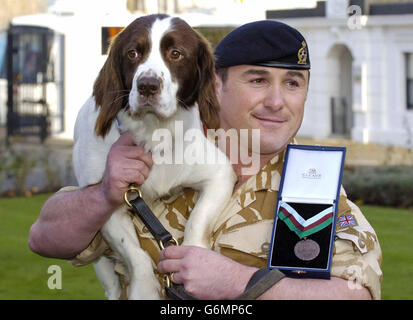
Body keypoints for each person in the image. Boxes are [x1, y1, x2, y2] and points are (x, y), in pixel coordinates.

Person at [29, 20, 382, 300]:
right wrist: (104, 193)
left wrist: (240, 283)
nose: (278, 101)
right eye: (258, 80)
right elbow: (46, 239)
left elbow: (355, 293)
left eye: (293, 83)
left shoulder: (313, 185)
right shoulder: (156, 149)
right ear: (214, 85)